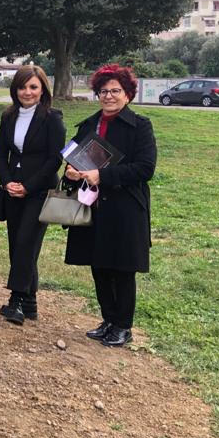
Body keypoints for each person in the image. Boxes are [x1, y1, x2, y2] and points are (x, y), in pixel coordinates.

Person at [64, 64, 156, 347]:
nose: (109, 96)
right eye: (103, 91)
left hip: (125, 208)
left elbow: (144, 168)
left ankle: (123, 326)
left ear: (127, 94)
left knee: (122, 268)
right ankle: (107, 319)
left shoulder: (140, 126)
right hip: (93, 206)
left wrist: (102, 176)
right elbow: (72, 159)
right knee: (99, 264)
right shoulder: (88, 125)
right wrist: (69, 173)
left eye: (116, 91)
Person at [0, 65, 66, 325]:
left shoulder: (52, 118)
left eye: (33, 87)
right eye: (23, 87)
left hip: (40, 190)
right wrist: (8, 182)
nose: (27, 92)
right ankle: (31, 302)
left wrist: (29, 186)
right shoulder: (8, 116)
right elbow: (2, 154)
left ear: (42, 89)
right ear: (15, 89)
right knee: (18, 244)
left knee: (26, 242)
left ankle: (16, 301)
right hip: (13, 189)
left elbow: (54, 159)